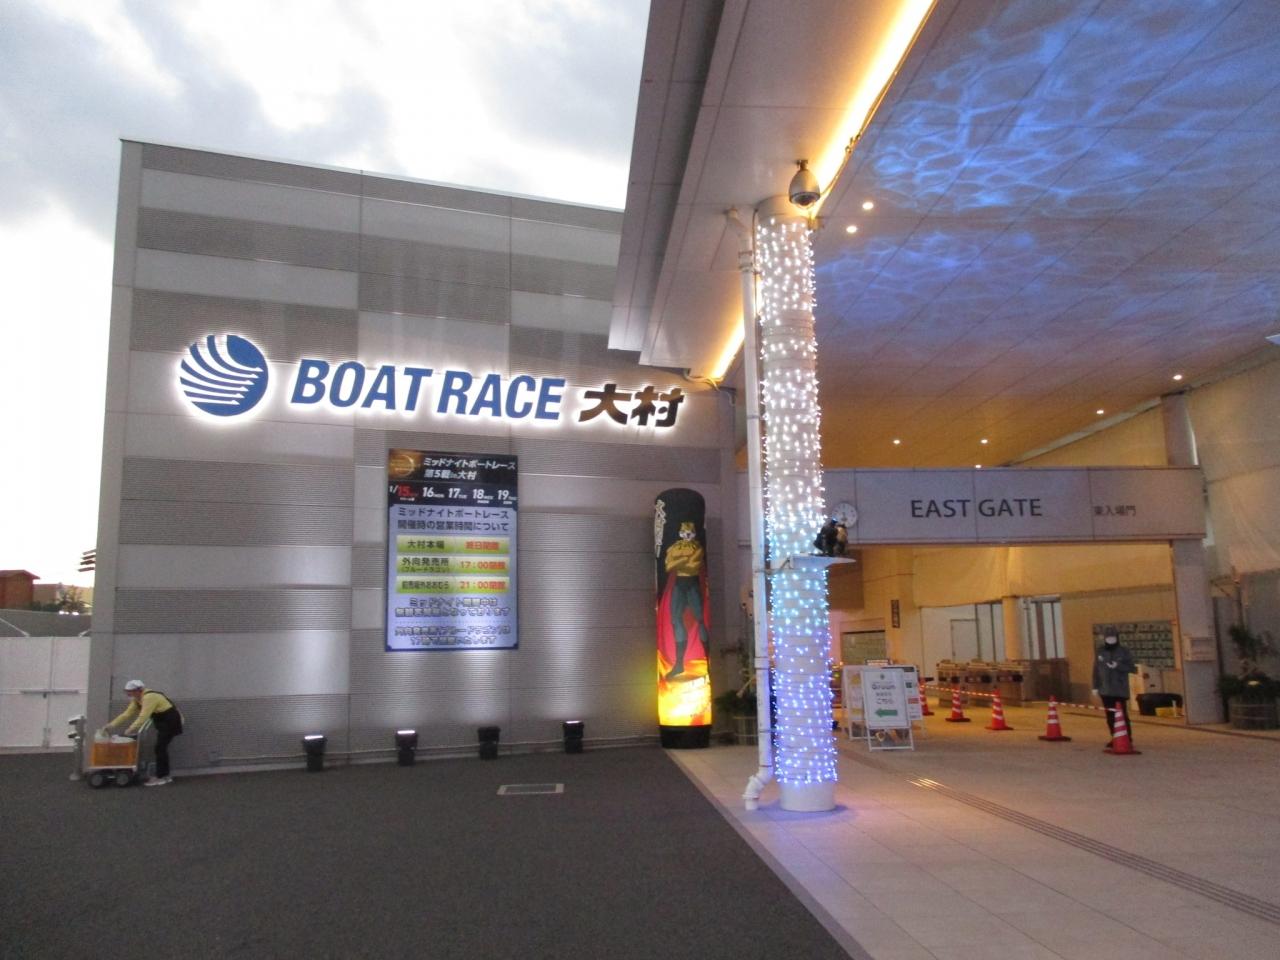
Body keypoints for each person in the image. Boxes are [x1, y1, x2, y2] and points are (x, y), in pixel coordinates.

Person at [101, 680, 184, 786]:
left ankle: (162, 777)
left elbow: (143, 716)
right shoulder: (137, 700)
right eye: (127, 691)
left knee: (160, 748)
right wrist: (110, 725)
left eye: (130, 691)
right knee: (160, 748)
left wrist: (131, 729)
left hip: (171, 721)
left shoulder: (149, 697)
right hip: (163, 722)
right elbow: (126, 714)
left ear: (138, 690)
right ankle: (164, 776)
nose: (128, 694)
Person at [1092, 631, 1137, 748]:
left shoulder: (1124, 651)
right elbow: (1096, 669)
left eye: (1113, 637)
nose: (1110, 640)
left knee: (1122, 715)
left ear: (1117, 638)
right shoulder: (1100, 651)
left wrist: (1118, 666)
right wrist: (1095, 686)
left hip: (1119, 690)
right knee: (1110, 716)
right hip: (1105, 689)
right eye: (1108, 637)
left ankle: (1127, 738)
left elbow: (1132, 668)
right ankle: (1114, 737)